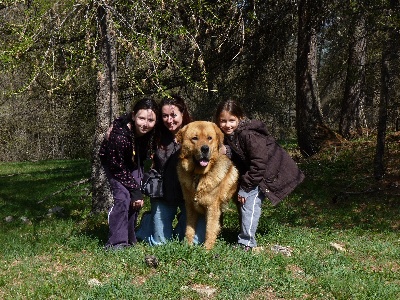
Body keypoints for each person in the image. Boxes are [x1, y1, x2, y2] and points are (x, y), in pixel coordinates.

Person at [215, 99, 305, 251]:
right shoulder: (233, 135)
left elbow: (258, 163)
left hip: (268, 173)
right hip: (258, 173)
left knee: (249, 203)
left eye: (232, 120)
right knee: (246, 202)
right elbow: (242, 155)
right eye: (223, 121)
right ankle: (245, 237)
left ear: (240, 118)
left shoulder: (249, 135)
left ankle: (247, 243)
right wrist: (228, 151)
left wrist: (246, 187)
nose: (227, 125)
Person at [137, 94, 205, 245]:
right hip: (163, 193)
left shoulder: (196, 133)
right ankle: (148, 223)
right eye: (165, 116)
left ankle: (182, 221)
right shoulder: (156, 134)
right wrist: (118, 124)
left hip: (188, 195)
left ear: (182, 113)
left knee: (193, 243)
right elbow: (136, 120)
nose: (169, 120)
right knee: (160, 243)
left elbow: (215, 142)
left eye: (173, 115)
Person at [99, 98, 158, 250]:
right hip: (114, 164)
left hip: (134, 160)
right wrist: (135, 189)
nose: (145, 124)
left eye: (150, 120)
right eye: (141, 118)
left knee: (136, 202)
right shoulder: (119, 136)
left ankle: (130, 238)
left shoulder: (151, 131)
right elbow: (118, 168)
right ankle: (116, 242)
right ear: (133, 116)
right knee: (123, 198)